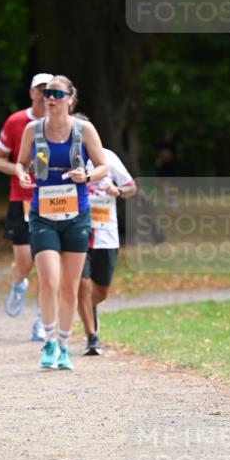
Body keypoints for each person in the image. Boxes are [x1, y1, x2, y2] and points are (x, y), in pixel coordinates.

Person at [15, 75, 107, 371]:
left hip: (76, 216)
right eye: (46, 94)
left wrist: (88, 176)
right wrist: (21, 174)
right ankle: (49, 341)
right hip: (43, 215)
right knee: (49, 281)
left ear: (70, 97)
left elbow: (103, 166)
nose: (50, 98)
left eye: (57, 93)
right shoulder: (33, 129)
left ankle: (65, 346)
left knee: (69, 286)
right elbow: (20, 162)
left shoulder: (84, 129)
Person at [0, 72, 53, 341]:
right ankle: (17, 283)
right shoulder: (17, 122)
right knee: (25, 263)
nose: (43, 94)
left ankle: (42, 320)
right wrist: (16, 171)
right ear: (31, 93)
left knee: (47, 264)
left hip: (54, 198)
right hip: (22, 199)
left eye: (48, 90)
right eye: (39, 89)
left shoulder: (62, 124)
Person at [77, 143, 137, 356]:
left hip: (106, 234)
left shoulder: (109, 157)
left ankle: (86, 306)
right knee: (82, 285)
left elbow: (131, 187)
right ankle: (92, 337)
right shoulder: (69, 158)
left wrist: (118, 190)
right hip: (77, 233)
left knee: (100, 291)